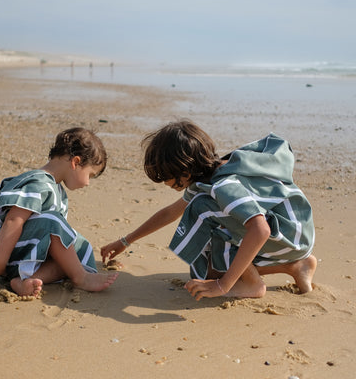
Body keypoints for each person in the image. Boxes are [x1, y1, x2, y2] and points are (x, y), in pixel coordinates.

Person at [101, 120, 316, 300]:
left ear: (183, 170)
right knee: (209, 268)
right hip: (292, 232)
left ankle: (252, 285)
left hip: (288, 234)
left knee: (203, 210)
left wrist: (223, 285)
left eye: (165, 175)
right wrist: (125, 241)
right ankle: (295, 267)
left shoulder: (222, 187)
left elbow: (260, 230)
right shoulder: (209, 174)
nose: (164, 182)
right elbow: (170, 212)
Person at [0, 127, 118, 297]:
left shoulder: (57, 190)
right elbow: (13, 220)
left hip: (23, 250)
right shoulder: (39, 183)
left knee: (78, 248)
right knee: (54, 223)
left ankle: (26, 281)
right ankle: (80, 278)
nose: (88, 182)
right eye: (90, 174)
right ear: (75, 162)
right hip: (1, 247)